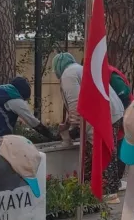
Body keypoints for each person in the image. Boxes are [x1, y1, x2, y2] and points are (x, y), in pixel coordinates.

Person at [52, 52, 125, 197]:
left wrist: (73, 128)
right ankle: (90, 188)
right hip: (114, 112)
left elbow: (75, 105)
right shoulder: (80, 70)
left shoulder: (68, 75)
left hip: (102, 116)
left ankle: (107, 191)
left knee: (101, 152)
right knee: (97, 152)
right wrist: (67, 124)